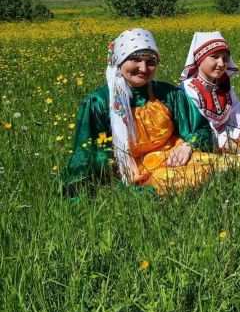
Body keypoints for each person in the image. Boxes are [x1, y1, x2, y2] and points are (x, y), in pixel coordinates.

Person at [63, 28, 225, 194]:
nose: (143, 68)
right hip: (134, 168)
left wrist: (188, 146)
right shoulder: (99, 102)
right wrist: (114, 169)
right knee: (181, 182)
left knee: (231, 167)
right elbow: (89, 152)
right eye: (135, 60)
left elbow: (200, 128)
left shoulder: (169, 94)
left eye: (150, 62)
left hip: (174, 158)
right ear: (120, 61)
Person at [179, 31, 240, 162]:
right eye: (214, 57)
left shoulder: (224, 86)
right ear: (199, 59)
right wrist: (236, 148)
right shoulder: (188, 89)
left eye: (225, 59)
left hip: (231, 134)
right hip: (205, 143)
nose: (221, 63)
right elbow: (201, 130)